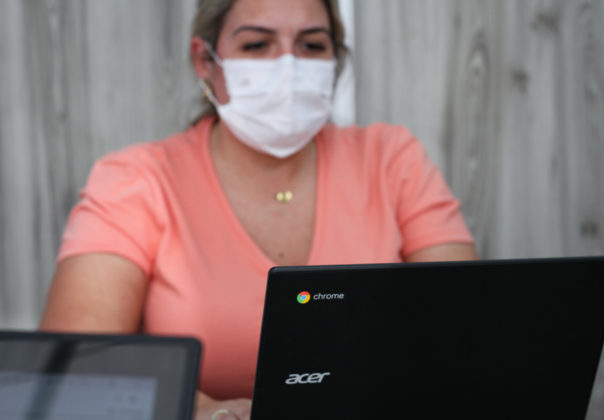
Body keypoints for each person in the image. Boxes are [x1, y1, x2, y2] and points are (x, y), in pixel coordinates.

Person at [40, 0, 477, 418]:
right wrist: (200, 409)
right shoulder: (137, 180)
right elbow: (75, 362)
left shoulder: (391, 160)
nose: (288, 66)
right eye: (256, 44)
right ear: (205, 61)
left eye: (311, 45)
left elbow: (469, 330)